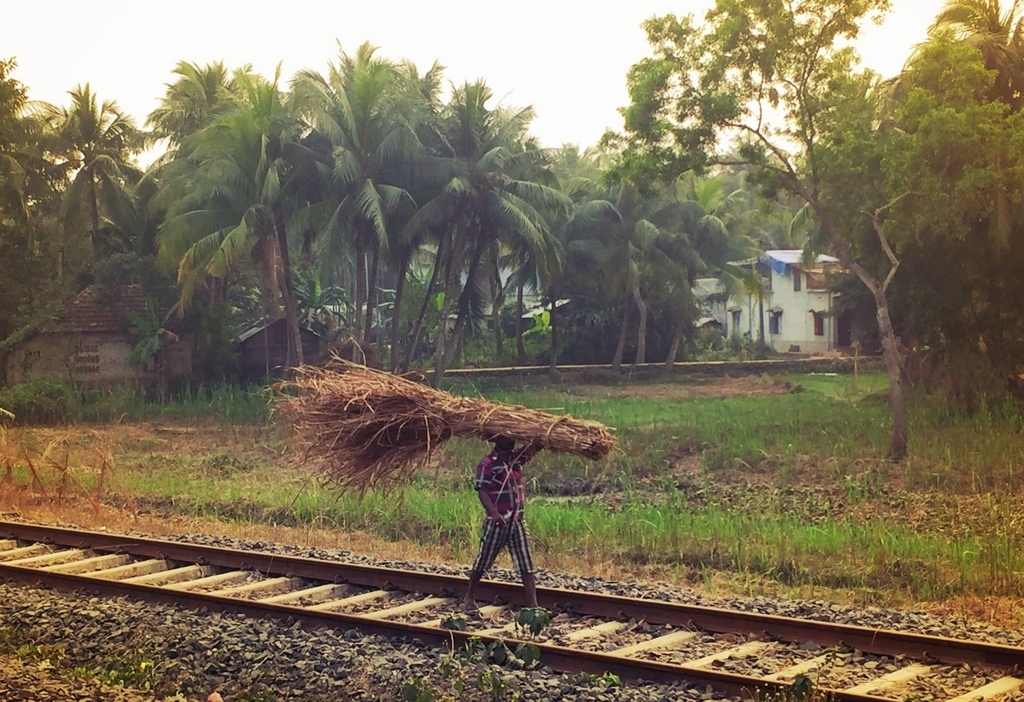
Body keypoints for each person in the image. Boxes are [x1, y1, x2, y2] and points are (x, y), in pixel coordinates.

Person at [462, 435, 541, 612]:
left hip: (516, 521)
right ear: (497, 440)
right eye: (507, 438)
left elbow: (534, 448)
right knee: (483, 561)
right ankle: (469, 597)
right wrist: (494, 513)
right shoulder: (487, 463)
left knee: (525, 564)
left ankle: (534, 606)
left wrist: (543, 435)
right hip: (497, 522)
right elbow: (481, 491)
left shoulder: (515, 458)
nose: (512, 441)